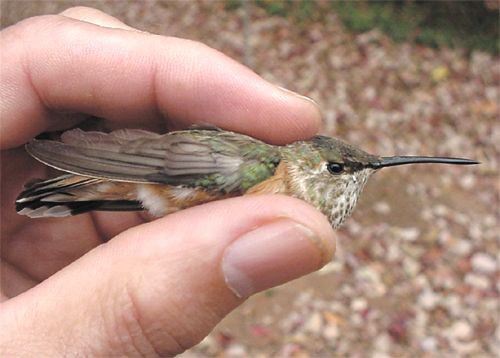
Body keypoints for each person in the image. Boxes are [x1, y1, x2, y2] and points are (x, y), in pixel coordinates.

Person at [0, 7, 335, 355]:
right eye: (335, 170)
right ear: (310, 165)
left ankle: (64, 194)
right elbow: (172, 164)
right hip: (164, 173)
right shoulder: (264, 164)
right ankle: (66, 189)